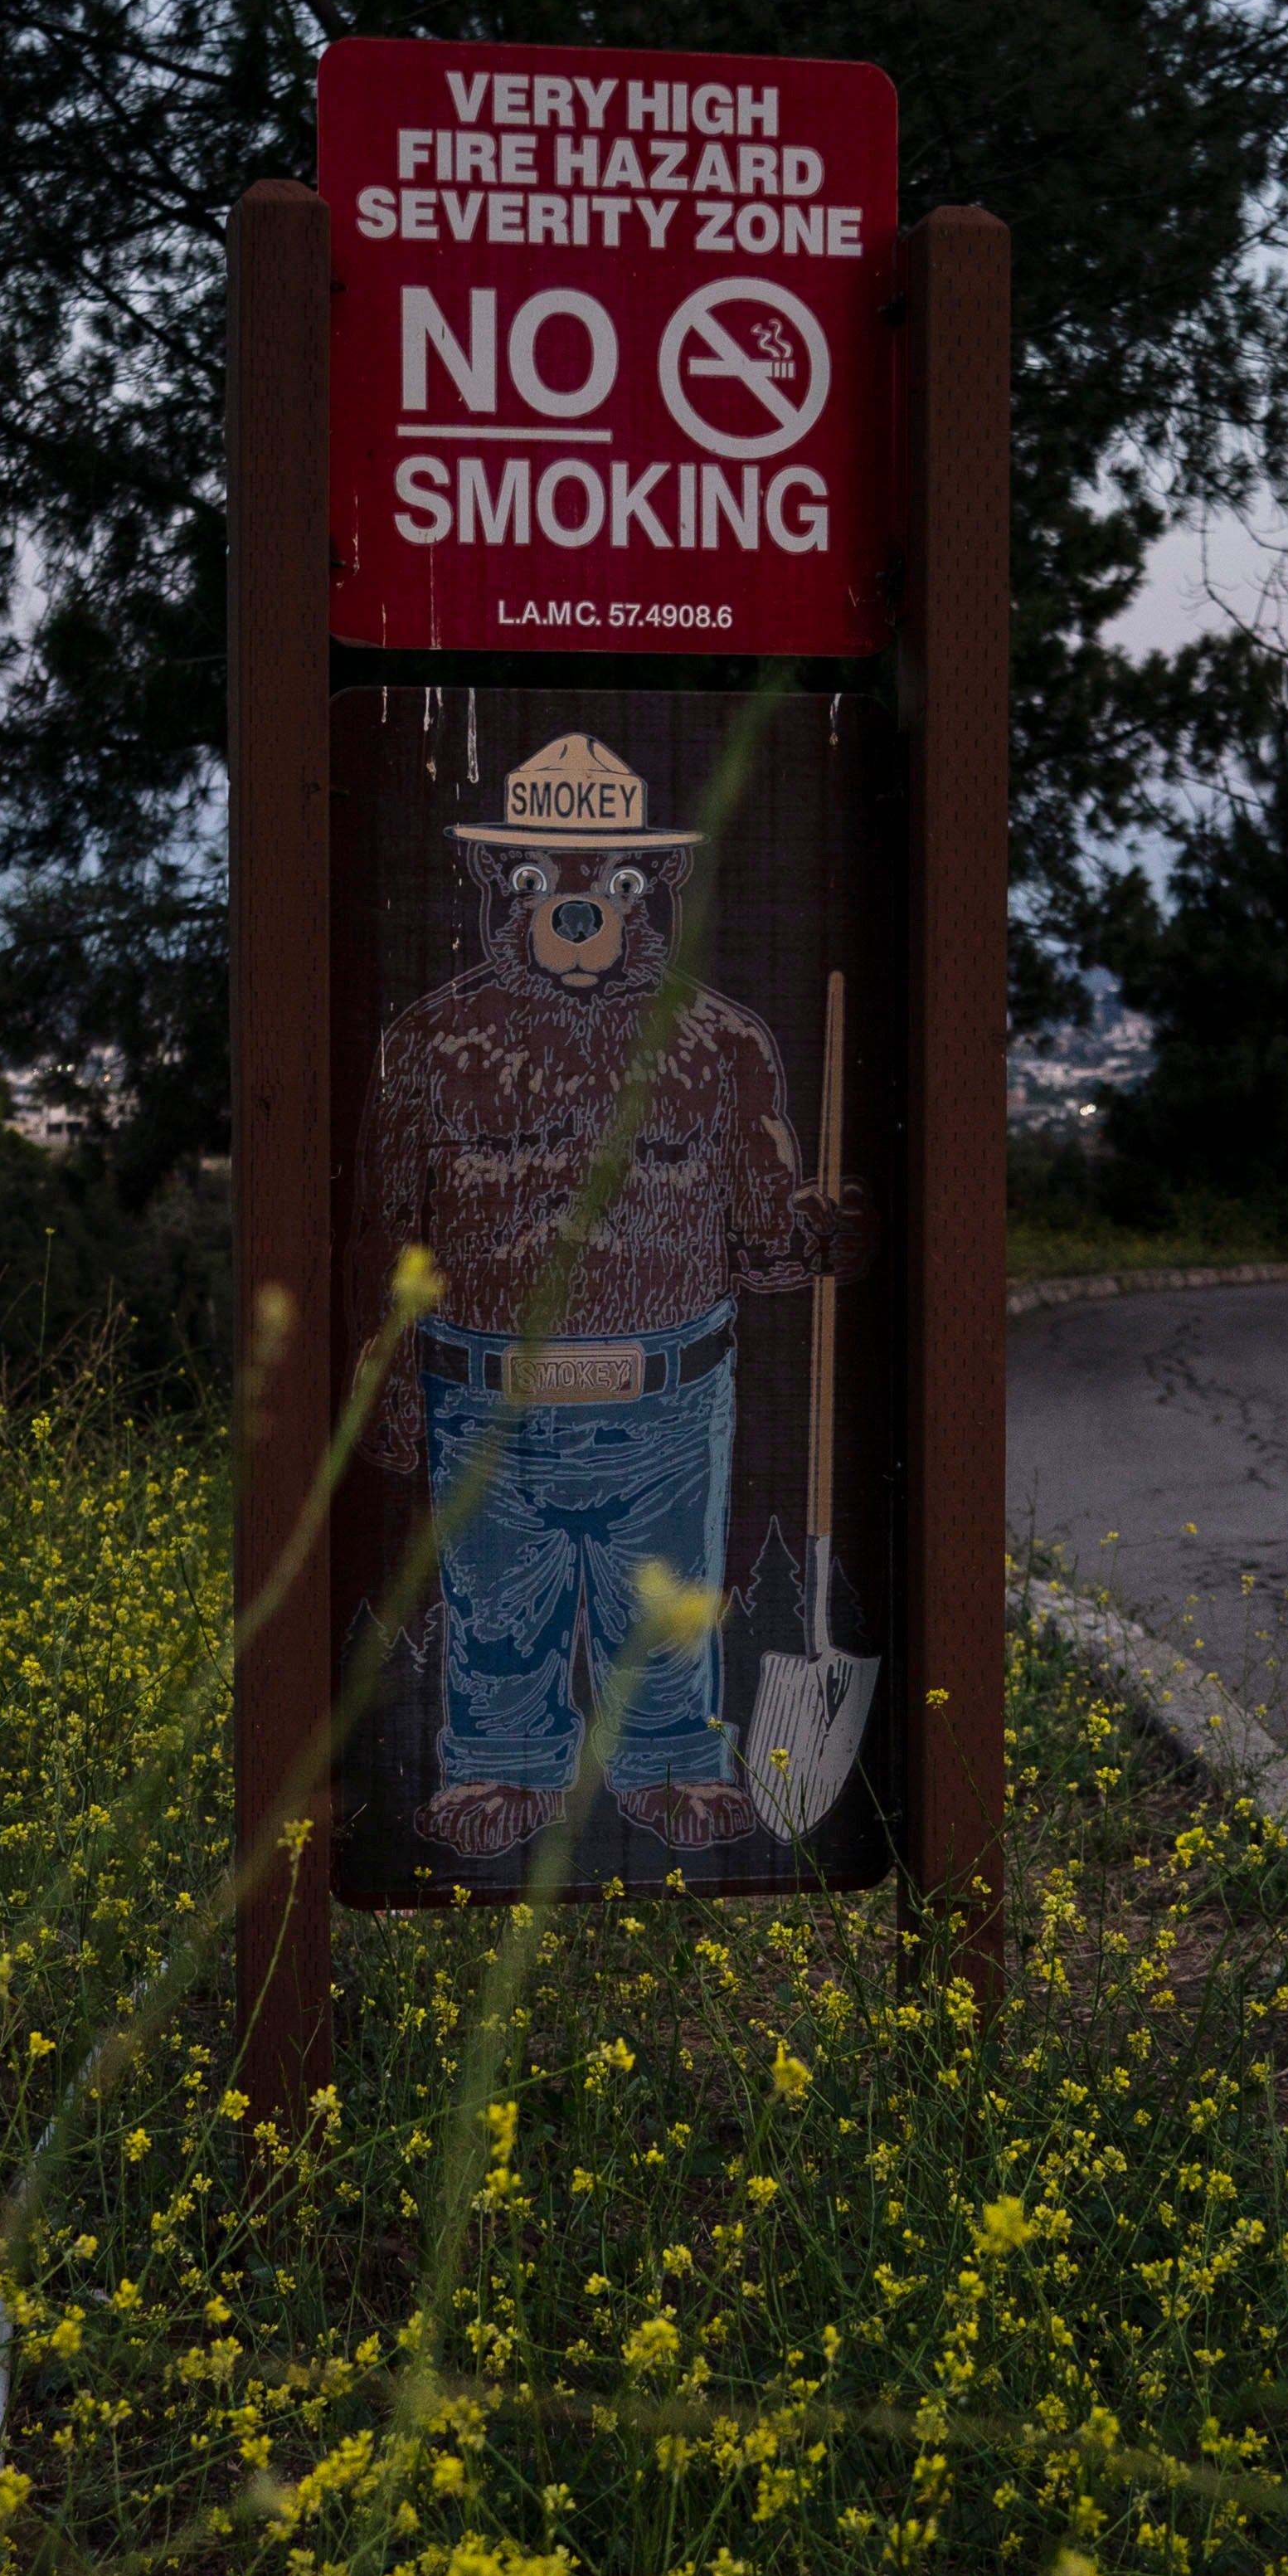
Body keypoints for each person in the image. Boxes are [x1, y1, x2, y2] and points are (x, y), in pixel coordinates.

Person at [361, 736, 868, 1856]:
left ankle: (673, 1761)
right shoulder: (431, 1046)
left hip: (668, 1397)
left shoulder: (720, 1045)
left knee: (666, 1599)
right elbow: (391, 1224)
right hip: (485, 1390)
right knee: (498, 1599)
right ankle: (501, 1766)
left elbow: (761, 1234)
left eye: (621, 883)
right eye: (538, 881)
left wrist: (820, 1233)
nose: (581, 912)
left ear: (661, 892)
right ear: (497, 889)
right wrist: (389, 1368)